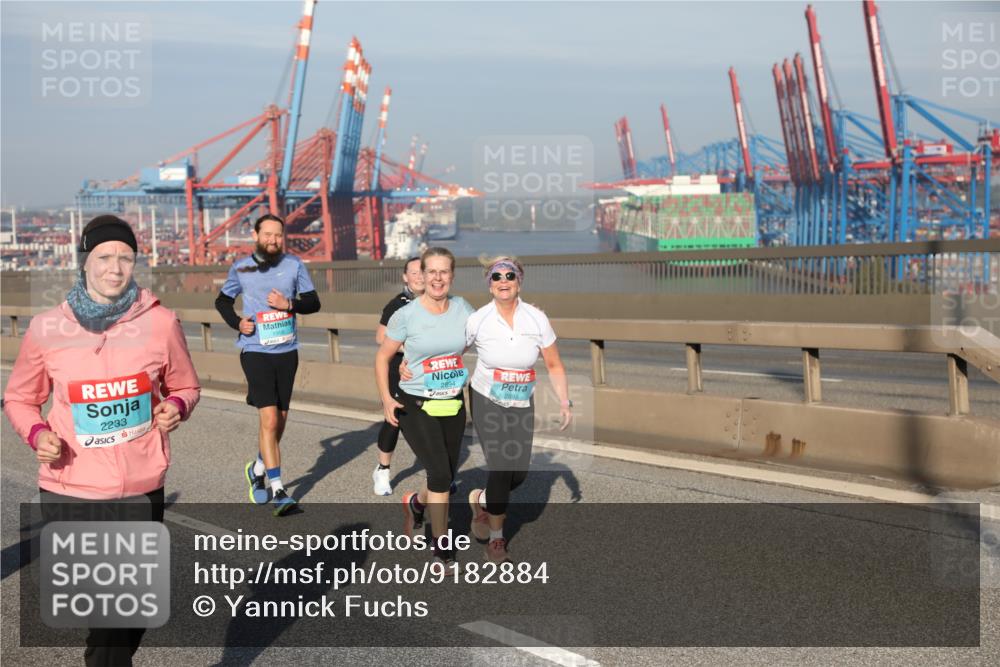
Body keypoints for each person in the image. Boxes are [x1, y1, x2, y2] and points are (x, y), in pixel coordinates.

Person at [4, 214, 201, 666]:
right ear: (84, 262)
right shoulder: (47, 328)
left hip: (140, 486)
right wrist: (37, 434)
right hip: (69, 487)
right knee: (112, 610)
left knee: (130, 616)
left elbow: (186, 386)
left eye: (126, 258)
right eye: (105, 257)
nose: (116, 268)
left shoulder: (161, 323)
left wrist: (176, 408)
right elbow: (19, 398)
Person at [464, 256, 571, 562]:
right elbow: (453, 351)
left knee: (518, 473)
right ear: (489, 284)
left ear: (519, 280)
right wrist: (413, 365)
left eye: (509, 275)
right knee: (500, 465)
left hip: (521, 398)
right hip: (487, 397)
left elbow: (553, 363)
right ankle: (497, 540)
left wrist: (564, 401)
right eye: (496, 277)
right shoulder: (478, 320)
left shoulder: (536, 319)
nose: (503, 281)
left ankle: (482, 500)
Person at [214, 213, 321, 516]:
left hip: (287, 351)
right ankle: (278, 490)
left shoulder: (294, 265)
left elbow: (313, 302)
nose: (273, 240)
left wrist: (290, 305)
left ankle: (258, 468)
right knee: (269, 420)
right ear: (256, 236)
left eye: (278, 235)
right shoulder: (241, 267)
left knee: (281, 420)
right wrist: (237, 322)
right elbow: (221, 301)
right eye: (267, 235)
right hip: (255, 350)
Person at [374, 247, 474, 569]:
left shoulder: (463, 309)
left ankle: (416, 504)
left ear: (452, 276)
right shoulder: (406, 314)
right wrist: (388, 399)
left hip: (452, 401)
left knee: (442, 472)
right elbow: (382, 356)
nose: (437, 278)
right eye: (432, 271)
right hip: (415, 402)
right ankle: (442, 546)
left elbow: (478, 341)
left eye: (444, 272)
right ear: (423, 275)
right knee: (442, 475)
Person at [372, 256, 424, 495]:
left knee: (429, 419)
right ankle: (383, 470)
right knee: (395, 418)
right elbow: (380, 338)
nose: (420, 276)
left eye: (423, 271)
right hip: (398, 370)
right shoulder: (398, 304)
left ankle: (440, 473)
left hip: (428, 372)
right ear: (405, 277)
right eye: (414, 273)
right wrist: (410, 348)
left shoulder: (437, 302)